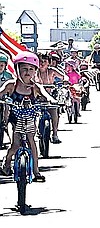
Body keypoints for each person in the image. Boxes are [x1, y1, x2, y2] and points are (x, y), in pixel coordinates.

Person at [0, 51, 58, 181]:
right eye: (24, 68)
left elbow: (45, 94)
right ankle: (7, 161)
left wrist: (51, 100)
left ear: (35, 71)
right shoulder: (11, 85)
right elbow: (1, 92)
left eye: (31, 69)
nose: (28, 72)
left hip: (30, 120)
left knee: (32, 143)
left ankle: (36, 171)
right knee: (15, 143)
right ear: (17, 69)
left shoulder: (35, 87)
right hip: (13, 120)